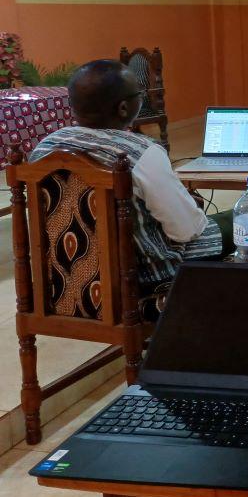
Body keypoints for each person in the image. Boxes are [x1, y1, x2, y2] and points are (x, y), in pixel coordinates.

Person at [29, 60, 231, 315]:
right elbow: (187, 231)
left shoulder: (43, 151)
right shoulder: (141, 153)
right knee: (246, 220)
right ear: (125, 107)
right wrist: (190, 206)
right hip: (143, 281)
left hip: (63, 284)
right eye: (140, 94)